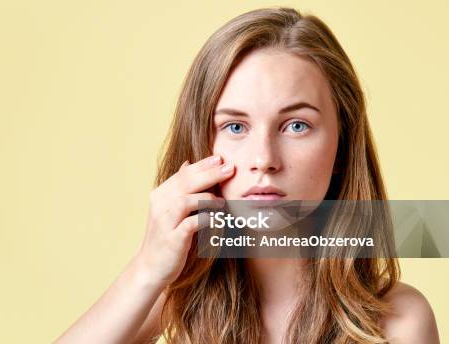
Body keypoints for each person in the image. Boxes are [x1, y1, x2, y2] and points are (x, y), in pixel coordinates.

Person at [55, 7, 440, 344]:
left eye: (296, 126)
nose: (264, 159)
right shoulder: (172, 302)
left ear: (342, 145)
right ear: (202, 145)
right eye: (235, 127)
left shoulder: (399, 323)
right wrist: (146, 268)